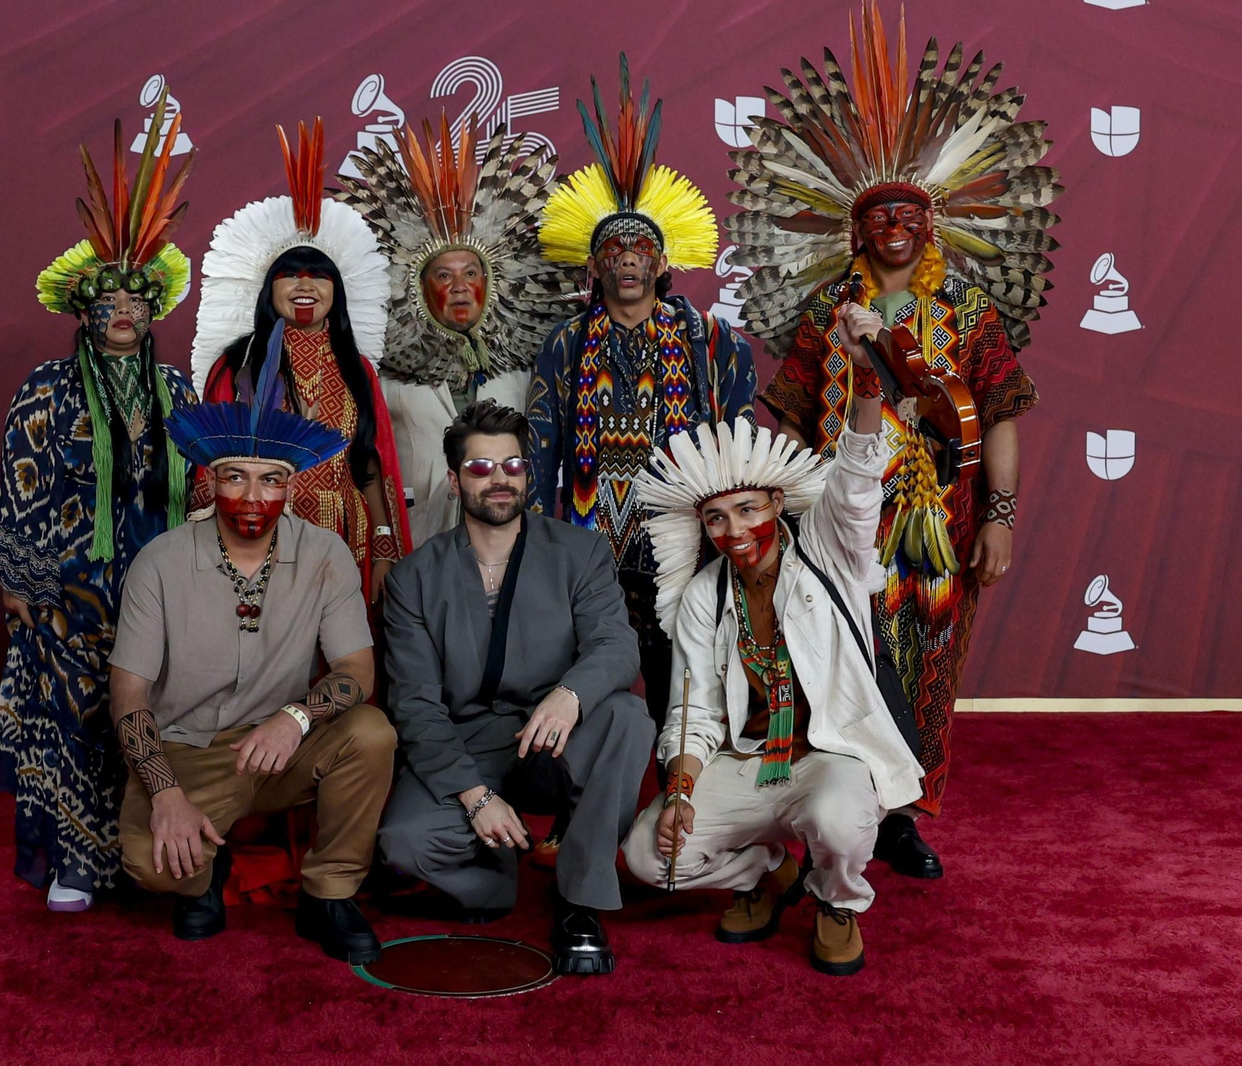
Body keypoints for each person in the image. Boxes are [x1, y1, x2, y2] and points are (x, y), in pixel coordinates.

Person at [727, 1, 1053, 876]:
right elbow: (789, 424)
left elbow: (1004, 417)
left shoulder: (972, 314)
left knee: (925, 670)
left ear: (932, 224)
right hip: (839, 525)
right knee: (844, 665)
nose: (894, 225)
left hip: (940, 527)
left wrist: (1002, 517)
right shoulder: (823, 316)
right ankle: (835, 812)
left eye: (909, 211)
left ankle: (903, 816)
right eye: (878, 215)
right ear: (856, 230)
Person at [107, 321, 396, 962]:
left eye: (271, 480)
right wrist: (166, 794)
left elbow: (356, 669)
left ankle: (329, 894)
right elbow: (127, 694)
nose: (252, 496)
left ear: (291, 486)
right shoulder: (160, 560)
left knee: (372, 733)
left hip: (280, 747)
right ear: (210, 480)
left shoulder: (323, 554)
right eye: (236, 477)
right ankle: (203, 873)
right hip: (186, 752)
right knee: (153, 870)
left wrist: (296, 718)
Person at [620, 389, 924, 977]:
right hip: (749, 760)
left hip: (829, 756)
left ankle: (835, 902)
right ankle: (767, 869)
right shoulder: (704, 595)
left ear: (778, 502)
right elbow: (694, 710)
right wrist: (680, 792)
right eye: (716, 517)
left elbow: (858, 485)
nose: (734, 530)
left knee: (839, 820)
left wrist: (866, 386)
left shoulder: (829, 553)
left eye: (748, 509)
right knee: (647, 857)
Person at [0, 106, 197, 912]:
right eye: (108, 302)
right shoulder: (45, 387)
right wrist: (22, 587)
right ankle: (73, 859)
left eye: (137, 301)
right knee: (71, 715)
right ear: (83, 311)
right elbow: (19, 489)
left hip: (159, 579)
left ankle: (152, 850)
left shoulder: (176, 390)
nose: (124, 313)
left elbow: (200, 491)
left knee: (150, 717)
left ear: (153, 312)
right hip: (70, 584)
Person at [379, 401, 653, 975]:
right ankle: (495, 877)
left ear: (528, 474)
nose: (499, 479)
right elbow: (415, 704)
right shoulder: (412, 578)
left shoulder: (580, 551)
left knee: (628, 717)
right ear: (454, 482)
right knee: (405, 841)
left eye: (512, 466)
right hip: (469, 743)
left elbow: (616, 645)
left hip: (555, 735)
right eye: (480, 468)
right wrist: (473, 798)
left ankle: (580, 900)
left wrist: (570, 695)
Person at [527, 55, 758, 737]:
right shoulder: (567, 343)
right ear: (595, 265)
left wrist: (730, 539)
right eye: (614, 248)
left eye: (640, 247)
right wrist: (543, 540)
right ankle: (585, 800)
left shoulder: (713, 343)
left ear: (662, 262)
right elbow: (542, 449)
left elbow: (738, 449)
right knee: (584, 673)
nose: (627, 256)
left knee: (682, 675)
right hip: (587, 537)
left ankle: (685, 798)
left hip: (683, 539)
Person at [190, 119, 410, 604]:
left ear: (339, 291)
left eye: (319, 276)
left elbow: (370, 462)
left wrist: (385, 547)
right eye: (290, 275)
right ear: (270, 291)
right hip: (258, 537)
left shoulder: (358, 368)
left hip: (347, 542)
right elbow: (208, 467)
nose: (305, 285)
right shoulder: (238, 365)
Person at [339, 114, 582, 546]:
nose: (459, 288)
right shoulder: (386, 379)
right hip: (417, 545)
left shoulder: (529, 374)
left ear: (493, 282)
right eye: (443, 277)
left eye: (471, 273)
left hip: (512, 546)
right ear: (413, 288)